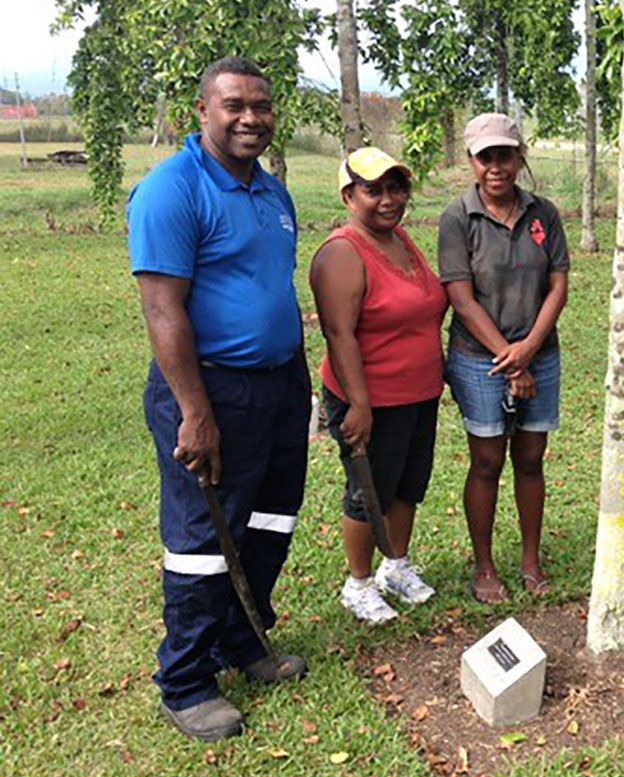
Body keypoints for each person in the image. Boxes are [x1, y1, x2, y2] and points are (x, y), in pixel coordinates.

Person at [128, 56, 309, 741]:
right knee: (205, 539)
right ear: (200, 112)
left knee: (270, 520)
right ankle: (185, 680)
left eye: (261, 106)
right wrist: (196, 413)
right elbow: (163, 311)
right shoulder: (171, 191)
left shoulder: (272, 193)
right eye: (234, 105)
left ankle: (244, 638)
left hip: (280, 386)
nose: (250, 118)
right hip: (207, 392)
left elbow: (272, 288)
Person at [310, 148, 448, 624]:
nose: (388, 199)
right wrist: (358, 404)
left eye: (396, 187)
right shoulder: (343, 251)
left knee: (409, 483)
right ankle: (359, 582)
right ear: (349, 196)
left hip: (418, 390)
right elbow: (339, 332)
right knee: (369, 489)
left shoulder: (400, 239)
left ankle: (396, 565)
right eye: (374, 190)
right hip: (371, 397)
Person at [437, 113, 569, 604]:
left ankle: (531, 560)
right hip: (480, 358)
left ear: (519, 157)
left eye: (505, 155)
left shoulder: (543, 214)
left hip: (540, 351)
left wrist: (530, 348)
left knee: (531, 457)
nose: (496, 166)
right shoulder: (457, 217)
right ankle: (485, 564)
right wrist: (510, 359)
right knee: (487, 459)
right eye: (485, 156)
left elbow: (558, 283)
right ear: (472, 160)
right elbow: (461, 297)